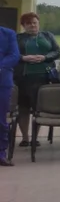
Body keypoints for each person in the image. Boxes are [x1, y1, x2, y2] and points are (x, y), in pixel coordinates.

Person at [14, 12, 60, 149]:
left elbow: (57, 52)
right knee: (23, 108)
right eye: (29, 23)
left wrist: (44, 57)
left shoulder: (48, 36)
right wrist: (23, 58)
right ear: (23, 25)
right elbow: (12, 53)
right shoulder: (17, 38)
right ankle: (25, 138)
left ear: (38, 23)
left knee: (38, 108)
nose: (32, 25)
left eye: (34, 22)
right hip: (23, 77)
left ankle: (35, 137)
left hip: (44, 77)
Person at [0, 26, 20, 166]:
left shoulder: (8, 34)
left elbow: (14, 55)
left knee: (1, 120)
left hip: (2, 82)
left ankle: (1, 153)